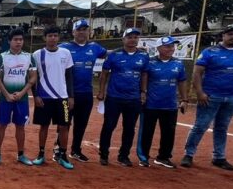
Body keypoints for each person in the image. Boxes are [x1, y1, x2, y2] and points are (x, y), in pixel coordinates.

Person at [182, 25, 233, 170]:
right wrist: (200, 93)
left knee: (222, 127)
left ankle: (219, 157)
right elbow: (197, 73)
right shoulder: (210, 52)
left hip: (232, 97)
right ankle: (188, 154)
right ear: (223, 35)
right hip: (210, 96)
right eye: (230, 34)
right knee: (200, 126)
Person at [97, 27, 149, 167]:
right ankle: (104, 154)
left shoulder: (143, 56)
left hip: (133, 98)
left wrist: (143, 92)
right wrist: (102, 91)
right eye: (129, 37)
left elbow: (144, 74)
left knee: (129, 128)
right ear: (123, 39)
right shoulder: (115, 54)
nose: (132, 40)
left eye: (135, 37)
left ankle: (123, 156)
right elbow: (104, 73)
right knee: (109, 126)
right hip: (114, 97)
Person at [60, 19, 107, 162]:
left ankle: (75, 150)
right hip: (68, 93)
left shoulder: (95, 47)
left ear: (88, 32)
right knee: (64, 123)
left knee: (81, 124)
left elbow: (107, 54)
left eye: (85, 29)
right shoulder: (64, 47)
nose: (82, 32)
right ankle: (59, 149)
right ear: (73, 32)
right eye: (79, 29)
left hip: (86, 93)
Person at [137, 36, 188, 169]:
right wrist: (143, 93)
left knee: (169, 132)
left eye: (172, 46)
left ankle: (163, 157)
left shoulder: (178, 63)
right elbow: (144, 78)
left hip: (170, 105)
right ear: (159, 48)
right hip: (151, 104)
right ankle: (143, 157)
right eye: (167, 46)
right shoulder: (150, 62)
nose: (171, 49)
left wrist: (184, 100)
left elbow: (182, 81)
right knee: (147, 131)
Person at [31, 26, 75, 170]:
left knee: (64, 127)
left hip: (62, 97)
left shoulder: (66, 53)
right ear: (44, 38)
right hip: (44, 97)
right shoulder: (37, 54)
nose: (53, 38)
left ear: (59, 37)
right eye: (50, 36)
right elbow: (32, 77)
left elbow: (69, 76)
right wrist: (35, 95)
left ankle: (62, 154)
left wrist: (71, 96)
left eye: (55, 35)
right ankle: (41, 153)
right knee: (44, 126)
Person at [0, 29, 36, 166]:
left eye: (20, 39)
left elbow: (33, 78)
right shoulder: (2, 57)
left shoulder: (29, 57)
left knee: (20, 127)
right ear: (9, 41)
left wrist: (22, 93)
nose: (18, 42)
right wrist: (7, 95)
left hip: (22, 99)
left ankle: (21, 155)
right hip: (5, 98)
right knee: (2, 126)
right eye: (15, 39)